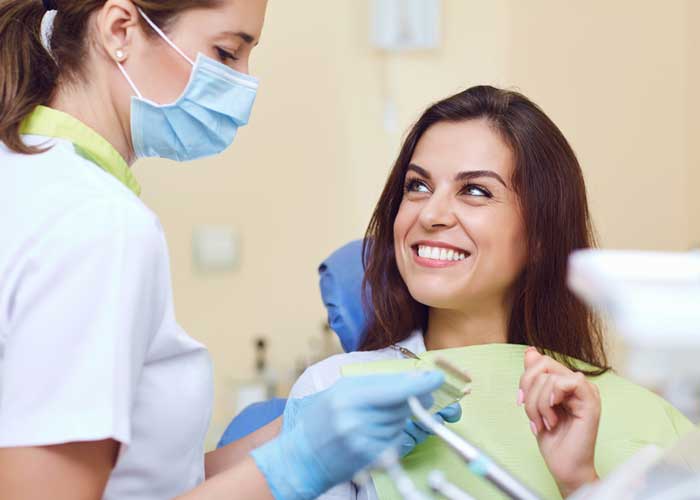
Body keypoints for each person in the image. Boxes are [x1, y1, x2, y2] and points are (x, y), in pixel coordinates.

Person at [0, 1, 454, 499]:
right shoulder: (99, 225)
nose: (244, 88)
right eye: (226, 53)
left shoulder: (30, 176)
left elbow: (141, 481)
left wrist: (295, 433)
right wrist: (297, 464)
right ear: (120, 29)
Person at [288, 85, 695, 499]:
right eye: (417, 186)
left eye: (475, 191)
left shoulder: (649, 420)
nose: (429, 214)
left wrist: (579, 482)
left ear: (539, 236)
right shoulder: (334, 393)